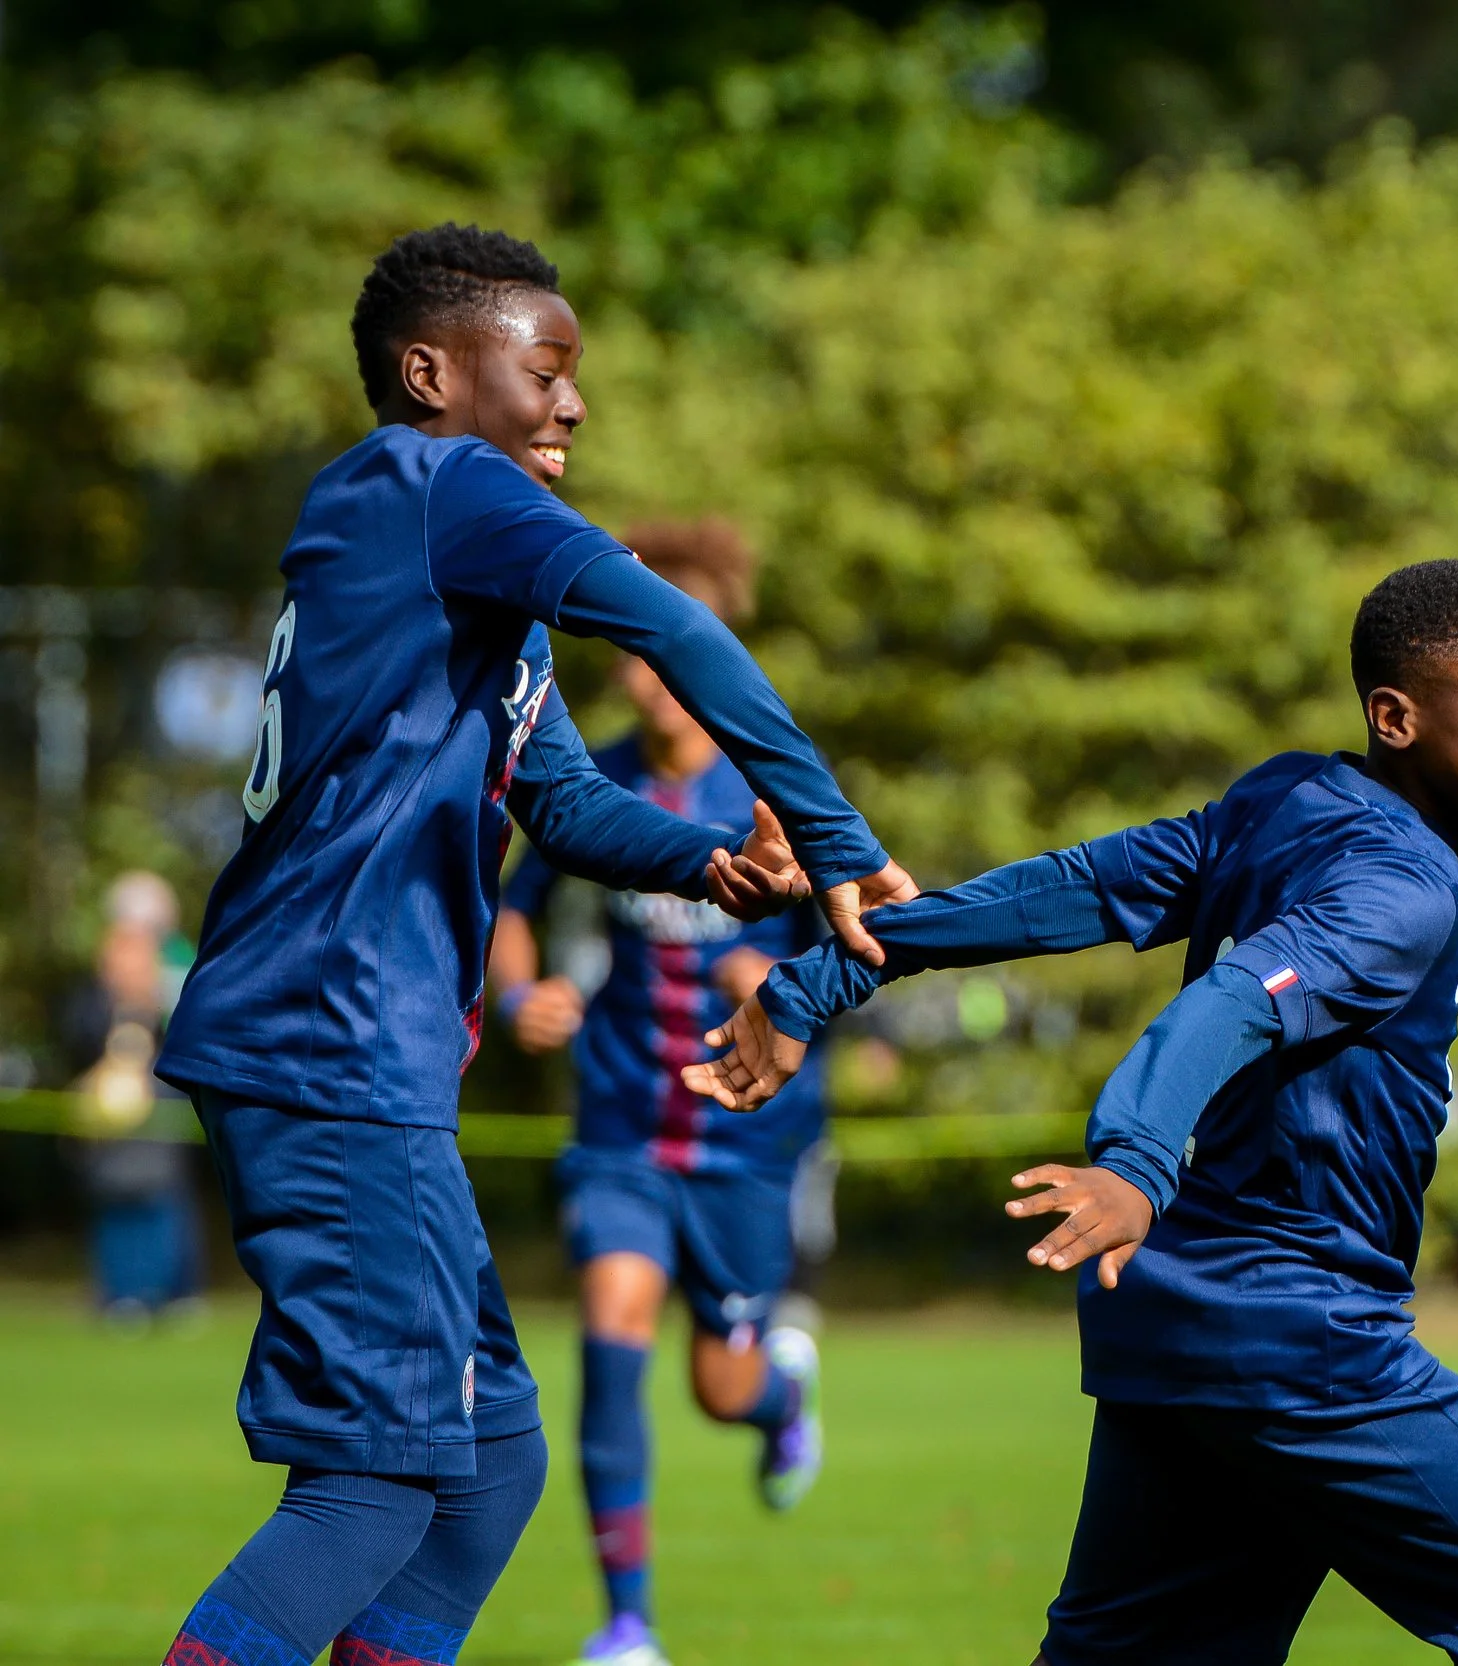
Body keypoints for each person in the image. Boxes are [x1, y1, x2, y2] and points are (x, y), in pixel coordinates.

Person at [687, 559, 1458, 1666]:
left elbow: (1072, 890)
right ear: (1396, 717)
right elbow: (1233, 1003)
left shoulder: (1285, 797)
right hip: (1299, 1334)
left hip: (1178, 1322)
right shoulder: (1405, 889)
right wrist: (1135, 1161)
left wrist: (822, 979)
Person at [152, 223, 912, 1666]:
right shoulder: (430, 486)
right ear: (430, 373)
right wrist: (836, 841)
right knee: (376, 1480)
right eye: (544, 369)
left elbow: (558, 796)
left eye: (577, 377)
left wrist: (713, 860)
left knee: (491, 1466)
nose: (572, 402)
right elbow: (678, 629)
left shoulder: (466, 563)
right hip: (325, 1035)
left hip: (367, 1051)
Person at [489, 519, 835, 1666]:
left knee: (718, 1389)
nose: (639, 675)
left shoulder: (775, 789)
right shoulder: (595, 786)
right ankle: (627, 1622)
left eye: (659, 651)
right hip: (624, 1124)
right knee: (609, 1328)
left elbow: (860, 949)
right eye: (624, 654)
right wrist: (525, 988)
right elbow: (519, 901)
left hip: (745, 1140)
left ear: (706, 650)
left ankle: (777, 1399)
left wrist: (775, 986)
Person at [62, 870, 205, 1323]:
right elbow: (78, 1032)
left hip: (159, 1114)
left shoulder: (176, 975)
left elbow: (193, 1029)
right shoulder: (94, 993)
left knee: (163, 1197)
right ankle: (121, 1293)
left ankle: (173, 1292)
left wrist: (151, 1005)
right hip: (109, 1124)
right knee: (115, 1198)